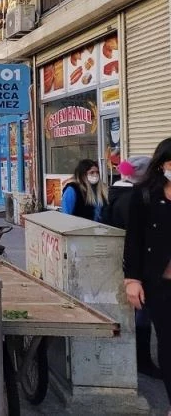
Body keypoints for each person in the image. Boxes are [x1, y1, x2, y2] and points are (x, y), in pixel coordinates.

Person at [102, 155, 160, 378]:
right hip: (137, 265)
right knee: (141, 314)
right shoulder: (135, 198)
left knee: (134, 313)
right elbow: (139, 237)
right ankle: (142, 360)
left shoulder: (115, 194)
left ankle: (136, 357)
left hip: (119, 260)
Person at [123, 137, 171, 408]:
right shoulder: (145, 196)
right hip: (160, 284)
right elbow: (134, 241)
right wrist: (132, 279)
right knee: (168, 344)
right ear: (162, 164)